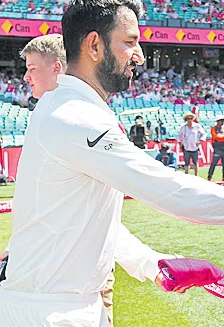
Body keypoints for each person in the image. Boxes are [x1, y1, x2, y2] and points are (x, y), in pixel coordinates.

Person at [0, 0, 224, 327]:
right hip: (48, 312)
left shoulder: (70, 109)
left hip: (66, 304)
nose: (140, 55)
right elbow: (166, 188)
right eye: (129, 41)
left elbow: (87, 221)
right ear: (95, 45)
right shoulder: (75, 116)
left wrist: (149, 263)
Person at [8, 33, 186, 327]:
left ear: (56, 69)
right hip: (44, 288)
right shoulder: (48, 116)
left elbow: (101, 217)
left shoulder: (80, 121)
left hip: (72, 291)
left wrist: (147, 263)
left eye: (32, 68)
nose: (25, 76)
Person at [207, 115, 224, 182]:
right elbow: (215, 137)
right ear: (217, 121)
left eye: (223, 121)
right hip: (217, 148)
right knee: (213, 163)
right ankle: (209, 177)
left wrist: (221, 138)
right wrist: (223, 138)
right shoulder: (213, 128)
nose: (222, 122)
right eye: (221, 121)